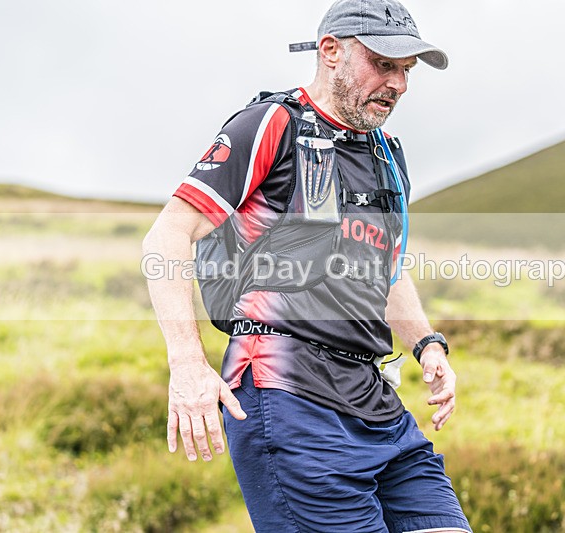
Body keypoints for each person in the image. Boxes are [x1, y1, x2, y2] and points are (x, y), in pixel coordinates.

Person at [143, 1, 471, 531]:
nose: (399, 85)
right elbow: (168, 235)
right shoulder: (270, 125)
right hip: (287, 397)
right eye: (384, 64)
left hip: (374, 401)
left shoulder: (387, 153)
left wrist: (427, 344)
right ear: (331, 50)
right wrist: (186, 363)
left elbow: (386, 268)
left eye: (406, 70)